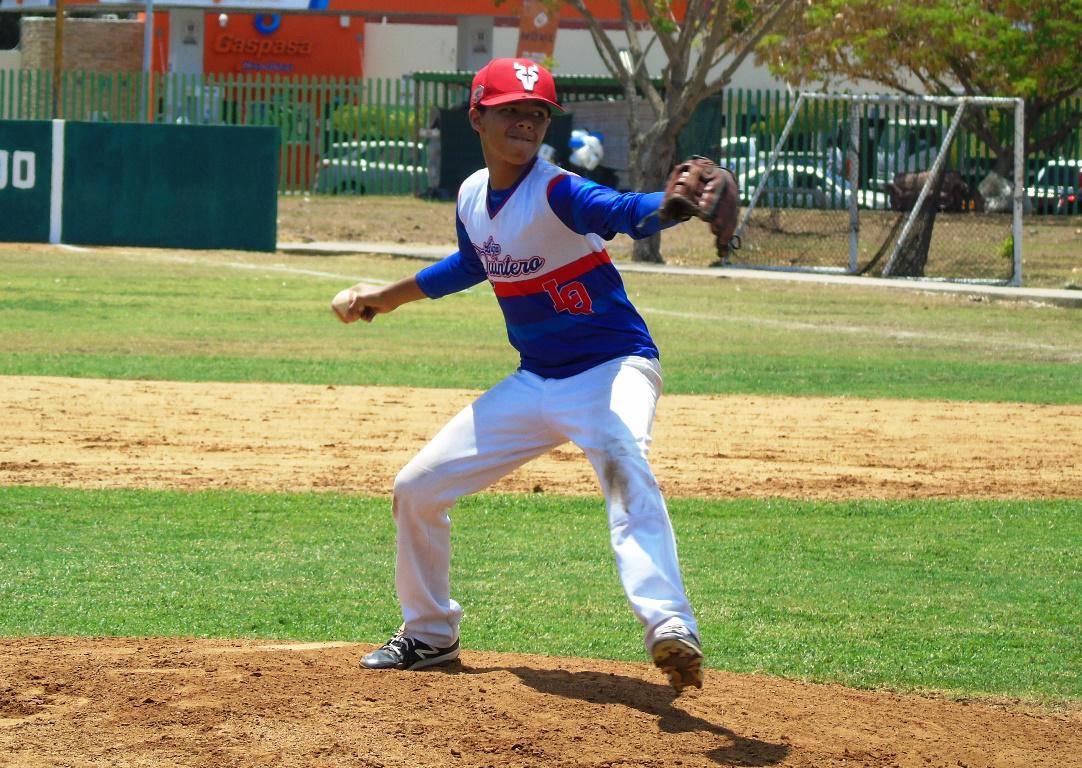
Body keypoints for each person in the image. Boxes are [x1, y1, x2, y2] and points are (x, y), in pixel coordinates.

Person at [334, 57, 704, 693]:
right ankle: (429, 634)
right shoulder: (473, 194)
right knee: (417, 486)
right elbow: (473, 263)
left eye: (537, 113)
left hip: (613, 369)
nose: (526, 121)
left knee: (623, 460)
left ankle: (670, 626)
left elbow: (620, 209)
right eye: (511, 110)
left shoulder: (559, 189)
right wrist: (383, 297)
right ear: (477, 116)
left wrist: (666, 209)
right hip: (537, 381)